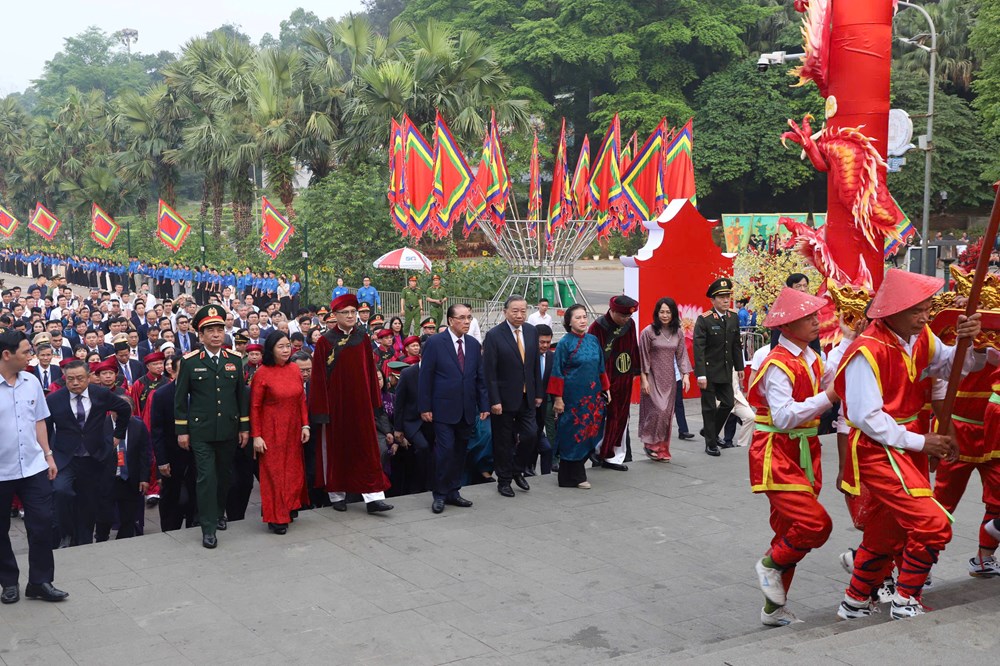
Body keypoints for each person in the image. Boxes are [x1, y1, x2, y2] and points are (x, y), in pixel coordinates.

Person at [835, 268, 985, 621]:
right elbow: (867, 418)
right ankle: (905, 599)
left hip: (907, 444)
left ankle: (855, 601)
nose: (924, 317)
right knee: (934, 523)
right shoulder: (866, 350)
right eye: (917, 310)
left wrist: (971, 342)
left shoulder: (919, 337)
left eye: (927, 309)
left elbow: (952, 366)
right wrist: (922, 442)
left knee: (887, 530)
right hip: (878, 449)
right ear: (892, 311)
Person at [746, 288, 840, 627]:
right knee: (816, 524)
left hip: (804, 451)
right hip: (777, 453)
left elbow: (834, 375)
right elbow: (783, 417)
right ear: (787, 325)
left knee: (791, 531)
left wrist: (852, 338)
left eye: (815, 315)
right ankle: (770, 565)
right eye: (808, 317)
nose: (817, 321)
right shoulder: (777, 364)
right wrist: (827, 397)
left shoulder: (811, 358)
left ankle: (773, 609)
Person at [173, 305, 250, 549]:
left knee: (225, 476)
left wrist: (244, 427)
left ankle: (218, 513)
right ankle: (208, 527)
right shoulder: (190, 362)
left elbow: (241, 397)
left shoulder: (235, 361)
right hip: (201, 431)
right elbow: (180, 400)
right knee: (206, 477)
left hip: (228, 429)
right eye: (210, 331)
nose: (216, 335)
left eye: (219, 329)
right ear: (201, 335)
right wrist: (182, 431)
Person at [0, 329, 68, 604]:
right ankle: (8, 581)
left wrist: (48, 455)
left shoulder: (31, 382)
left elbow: (40, 421)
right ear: (7, 355)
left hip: (33, 467)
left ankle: (40, 581)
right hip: (1, 472)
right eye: (26, 352)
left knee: (41, 525)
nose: (31, 356)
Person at [309, 294, 393, 515]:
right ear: (335, 315)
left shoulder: (363, 338)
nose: (350, 316)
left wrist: (374, 402)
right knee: (338, 450)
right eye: (345, 312)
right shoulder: (325, 342)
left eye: (353, 312)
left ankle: (374, 497)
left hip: (361, 404)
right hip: (336, 406)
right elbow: (317, 379)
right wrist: (321, 411)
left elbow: (370, 372)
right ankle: (338, 494)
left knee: (367, 449)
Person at [46, 359, 131, 547]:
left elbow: (124, 408)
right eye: (70, 379)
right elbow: (45, 428)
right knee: (61, 492)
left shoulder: (100, 394)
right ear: (64, 379)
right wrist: (48, 454)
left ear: (88, 377)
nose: (75, 383)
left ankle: (83, 541)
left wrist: (117, 436)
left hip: (93, 457)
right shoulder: (54, 399)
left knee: (88, 502)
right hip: (65, 457)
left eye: (79, 378)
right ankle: (65, 532)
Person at [419, 303, 490, 513]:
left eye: (469, 317)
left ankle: (453, 491)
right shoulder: (435, 343)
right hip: (442, 409)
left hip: (467, 408)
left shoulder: (473, 344)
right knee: (445, 451)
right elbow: (426, 377)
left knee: (460, 452)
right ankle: (439, 494)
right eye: (462, 318)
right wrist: (425, 406)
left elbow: (480, 377)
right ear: (451, 320)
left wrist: (483, 403)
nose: (467, 321)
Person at [933, 356, 1000, 577]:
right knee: (942, 503)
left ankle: (984, 558)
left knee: (997, 499)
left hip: (995, 430)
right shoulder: (957, 330)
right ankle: (919, 565)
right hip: (957, 428)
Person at [483, 296, 542, 497]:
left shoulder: (531, 331)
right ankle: (504, 480)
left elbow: (534, 365)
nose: (519, 315)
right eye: (515, 311)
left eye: (523, 311)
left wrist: (538, 393)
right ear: (505, 311)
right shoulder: (494, 335)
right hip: (504, 399)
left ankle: (518, 469)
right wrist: (494, 400)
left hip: (527, 397)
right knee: (503, 442)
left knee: (531, 435)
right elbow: (489, 371)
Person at [251, 332, 309, 534]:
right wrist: (256, 435)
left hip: (293, 427)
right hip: (271, 429)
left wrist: (305, 425)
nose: (286, 350)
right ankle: (276, 516)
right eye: (280, 347)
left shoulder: (294, 369)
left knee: (293, 470)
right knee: (274, 473)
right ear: (271, 349)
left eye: (287, 346)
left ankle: (290, 505)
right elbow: (255, 407)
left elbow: (301, 399)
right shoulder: (262, 373)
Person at [549, 305, 610, 489]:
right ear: (569, 322)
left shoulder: (593, 340)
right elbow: (557, 372)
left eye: (584, 317)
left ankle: (575, 472)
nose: (583, 320)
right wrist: (558, 399)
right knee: (572, 435)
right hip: (572, 399)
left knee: (590, 432)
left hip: (592, 398)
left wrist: (606, 389)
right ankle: (574, 476)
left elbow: (601, 367)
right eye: (578, 318)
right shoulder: (564, 343)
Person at [588, 295, 640, 470]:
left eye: (629, 317)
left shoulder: (629, 325)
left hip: (624, 379)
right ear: (613, 311)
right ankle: (597, 451)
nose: (626, 320)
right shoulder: (598, 327)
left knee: (621, 417)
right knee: (602, 418)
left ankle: (614, 455)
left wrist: (636, 370)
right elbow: (593, 356)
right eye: (623, 316)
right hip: (605, 380)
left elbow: (634, 347)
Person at [693, 278, 743, 456]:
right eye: (721, 297)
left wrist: (740, 367)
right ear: (712, 300)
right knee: (709, 407)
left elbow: (736, 344)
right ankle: (711, 443)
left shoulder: (733, 318)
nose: (725, 300)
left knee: (728, 403)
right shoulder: (704, 320)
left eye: (727, 296)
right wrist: (700, 375)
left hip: (725, 370)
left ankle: (710, 431)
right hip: (708, 371)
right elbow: (698, 349)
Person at [638, 297, 692, 462]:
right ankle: (649, 443)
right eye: (662, 312)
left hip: (670, 379)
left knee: (667, 415)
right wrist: (644, 379)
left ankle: (662, 449)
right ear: (656, 313)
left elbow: (682, 356)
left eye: (668, 312)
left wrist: (686, 376)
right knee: (657, 411)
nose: (665, 315)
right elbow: (643, 357)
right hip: (653, 377)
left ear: (673, 313)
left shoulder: (678, 333)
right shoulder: (648, 332)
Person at [149, 356, 198, 532]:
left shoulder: (201, 392)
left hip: (197, 455)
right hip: (171, 457)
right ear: (173, 371)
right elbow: (157, 431)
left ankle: (195, 526)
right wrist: (161, 460)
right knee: (172, 498)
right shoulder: (162, 395)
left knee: (196, 495)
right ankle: (169, 531)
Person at [98, 398, 150, 540]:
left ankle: (123, 542)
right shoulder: (101, 425)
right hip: (107, 479)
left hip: (129, 479)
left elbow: (145, 454)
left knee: (128, 518)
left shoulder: (138, 426)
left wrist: (144, 478)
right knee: (104, 517)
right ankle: (101, 539)